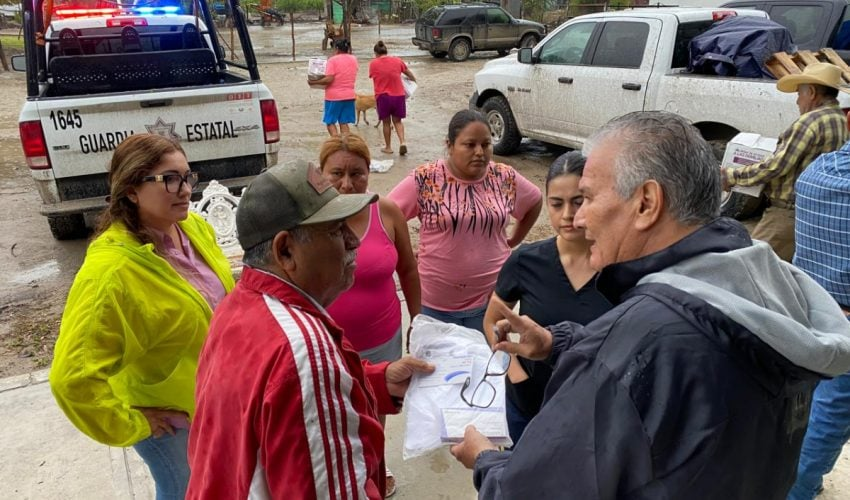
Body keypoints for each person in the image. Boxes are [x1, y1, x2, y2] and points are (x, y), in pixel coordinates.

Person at [449, 111, 850, 499]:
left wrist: (486, 461)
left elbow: (532, 491)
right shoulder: (759, 282)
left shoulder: (632, 345)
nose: (579, 218)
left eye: (586, 197)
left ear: (646, 203)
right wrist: (560, 342)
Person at [186, 160, 434, 498]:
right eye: (335, 230)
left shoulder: (240, 304)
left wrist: (376, 381)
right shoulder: (302, 350)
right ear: (286, 250)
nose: (354, 241)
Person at [49, 134, 235, 500]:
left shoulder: (191, 228)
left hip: (210, 400)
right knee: (185, 490)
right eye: (170, 179)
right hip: (171, 420)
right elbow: (70, 379)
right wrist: (131, 424)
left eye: (187, 177)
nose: (185, 190)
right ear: (132, 190)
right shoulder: (111, 272)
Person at [482, 151, 611, 444]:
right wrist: (514, 371)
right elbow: (491, 320)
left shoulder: (619, 268)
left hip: (594, 415)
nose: (567, 215)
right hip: (527, 408)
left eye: (578, 202)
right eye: (556, 204)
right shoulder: (526, 261)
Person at [320, 133, 421, 497]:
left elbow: (409, 270)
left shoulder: (387, 211)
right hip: (328, 345)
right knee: (333, 413)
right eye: (337, 173)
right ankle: (347, 467)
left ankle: (375, 463)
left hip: (382, 338)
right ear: (321, 174)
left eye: (357, 173)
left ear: (369, 173)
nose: (347, 183)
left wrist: (418, 321)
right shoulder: (310, 219)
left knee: (375, 408)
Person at [388, 110, 542, 334]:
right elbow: (386, 215)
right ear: (449, 145)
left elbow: (535, 201)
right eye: (469, 145)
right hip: (435, 304)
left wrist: (513, 240)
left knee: (486, 364)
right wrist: (404, 254)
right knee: (440, 366)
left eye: (486, 144)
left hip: (491, 301)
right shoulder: (426, 179)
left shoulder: (503, 177)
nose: (480, 152)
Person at [722, 62, 850, 262]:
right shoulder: (840, 118)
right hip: (816, 209)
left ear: (812, 93)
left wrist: (731, 176)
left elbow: (775, 166)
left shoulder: (809, 122)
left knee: (750, 265)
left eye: (799, 93)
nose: (798, 101)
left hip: (787, 212)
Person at [787, 143, 850, 500]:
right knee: (830, 416)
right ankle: (799, 489)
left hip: (808, 308)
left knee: (804, 402)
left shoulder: (818, 172)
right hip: (844, 321)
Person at [369, 40, 416, 156]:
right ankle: (402, 142)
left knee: (386, 123)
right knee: (398, 121)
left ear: (376, 53)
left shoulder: (373, 64)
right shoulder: (397, 60)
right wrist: (413, 80)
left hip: (383, 96)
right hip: (398, 96)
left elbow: (373, 76)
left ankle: (388, 147)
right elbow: (408, 73)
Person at [310, 38, 358, 136]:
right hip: (349, 95)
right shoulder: (354, 59)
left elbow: (329, 79)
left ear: (336, 48)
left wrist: (314, 82)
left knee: (330, 122)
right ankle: (346, 145)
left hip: (334, 97)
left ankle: (335, 143)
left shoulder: (332, 60)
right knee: (344, 122)